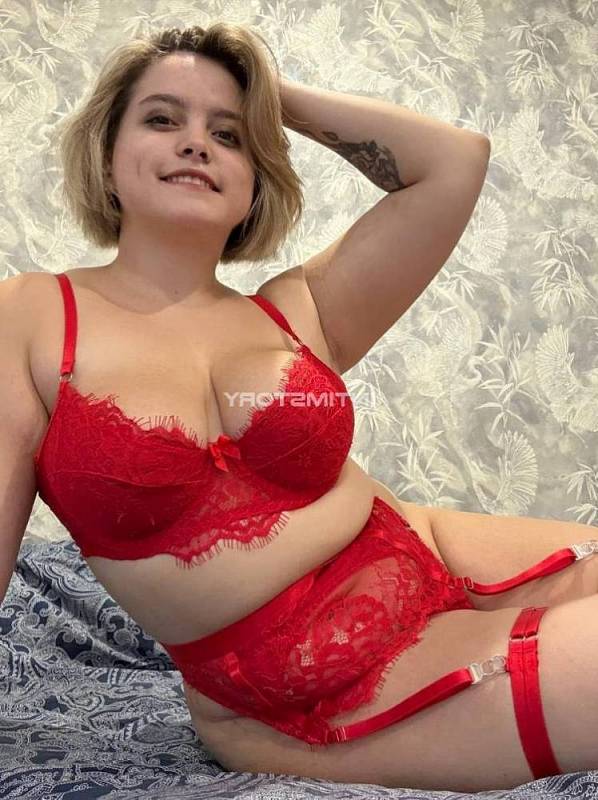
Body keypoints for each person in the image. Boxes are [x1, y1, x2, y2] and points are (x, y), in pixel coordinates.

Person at [2, 22, 598, 794]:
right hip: (300, 690)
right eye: (162, 118)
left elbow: (454, 161)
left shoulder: (300, 309)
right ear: (107, 155)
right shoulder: (29, 315)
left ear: (256, 179)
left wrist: (268, 94)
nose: (196, 143)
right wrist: (229, 107)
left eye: (227, 134)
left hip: (430, 552)